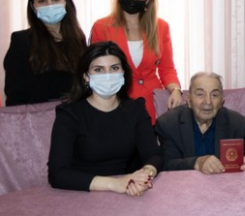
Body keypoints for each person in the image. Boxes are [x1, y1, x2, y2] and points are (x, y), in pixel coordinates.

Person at [47, 41, 162, 196]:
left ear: (123, 73)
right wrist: (114, 184)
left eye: (114, 68)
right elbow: (57, 174)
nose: (108, 75)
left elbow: (154, 155)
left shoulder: (135, 109)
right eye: (99, 70)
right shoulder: (69, 115)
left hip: (124, 192)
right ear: (86, 77)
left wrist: (145, 175)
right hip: (80, 194)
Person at [90, 0, 182, 124]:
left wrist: (176, 90)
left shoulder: (161, 27)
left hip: (152, 103)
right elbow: (96, 70)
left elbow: (167, 69)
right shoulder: (101, 26)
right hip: (116, 101)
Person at [3, 0, 87, 106]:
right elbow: (14, 95)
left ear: (65, 2)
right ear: (33, 7)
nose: (50, 5)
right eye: (42, 1)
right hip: (37, 116)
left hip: (74, 114)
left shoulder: (78, 39)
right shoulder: (21, 41)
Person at [155, 72, 245, 173]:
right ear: (189, 100)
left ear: (221, 101)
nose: (208, 101)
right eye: (200, 94)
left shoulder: (238, 125)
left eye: (214, 95)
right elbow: (168, 164)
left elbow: (238, 169)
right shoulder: (169, 124)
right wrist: (197, 162)